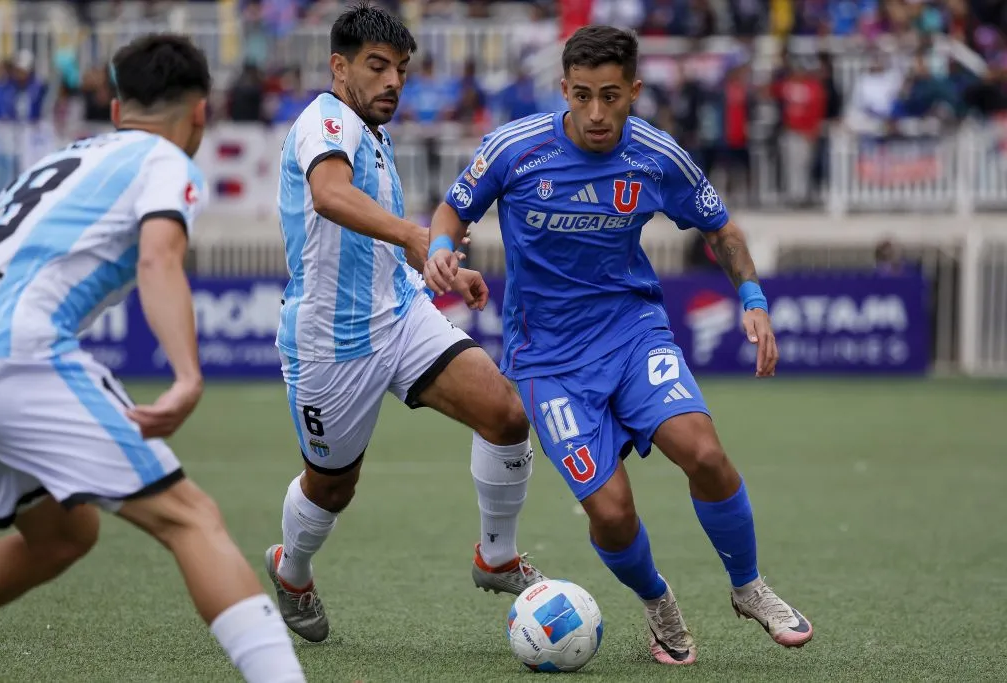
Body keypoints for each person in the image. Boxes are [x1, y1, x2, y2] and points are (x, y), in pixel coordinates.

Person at [424, 25, 813, 666]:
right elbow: (451, 210)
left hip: (632, 334)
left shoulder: (657, 156)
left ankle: (748, 587)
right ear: (564, 91)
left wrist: (753, 301)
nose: (597, 113)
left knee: (706, 454)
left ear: (634, 90)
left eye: (611, 95)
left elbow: (723, 230)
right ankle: (658, 602)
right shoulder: (514, 148)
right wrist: (441, 248)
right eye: (582, 96)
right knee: (610, 511)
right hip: (546, 360)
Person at [0, 35, 305, 683]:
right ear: (200, 114)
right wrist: (187, 374)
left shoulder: (64, 159)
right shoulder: (163, 159)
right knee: (191, 518)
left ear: (115, 106)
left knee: (63, 535)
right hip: (15, 355)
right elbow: (160, 257)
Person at [264, 1, 545, 644]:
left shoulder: (376, 133)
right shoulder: (325, 121)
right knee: (332, 487)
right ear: (339, 67)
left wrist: (438, 266)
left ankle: (496, 557)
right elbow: (330, 196)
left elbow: (381, 244)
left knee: (505, 412)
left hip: (402, 315)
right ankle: (293, 568)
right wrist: (419, 237)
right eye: (377, 66)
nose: (393, 80)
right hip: (331, 342)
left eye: (400, 69)